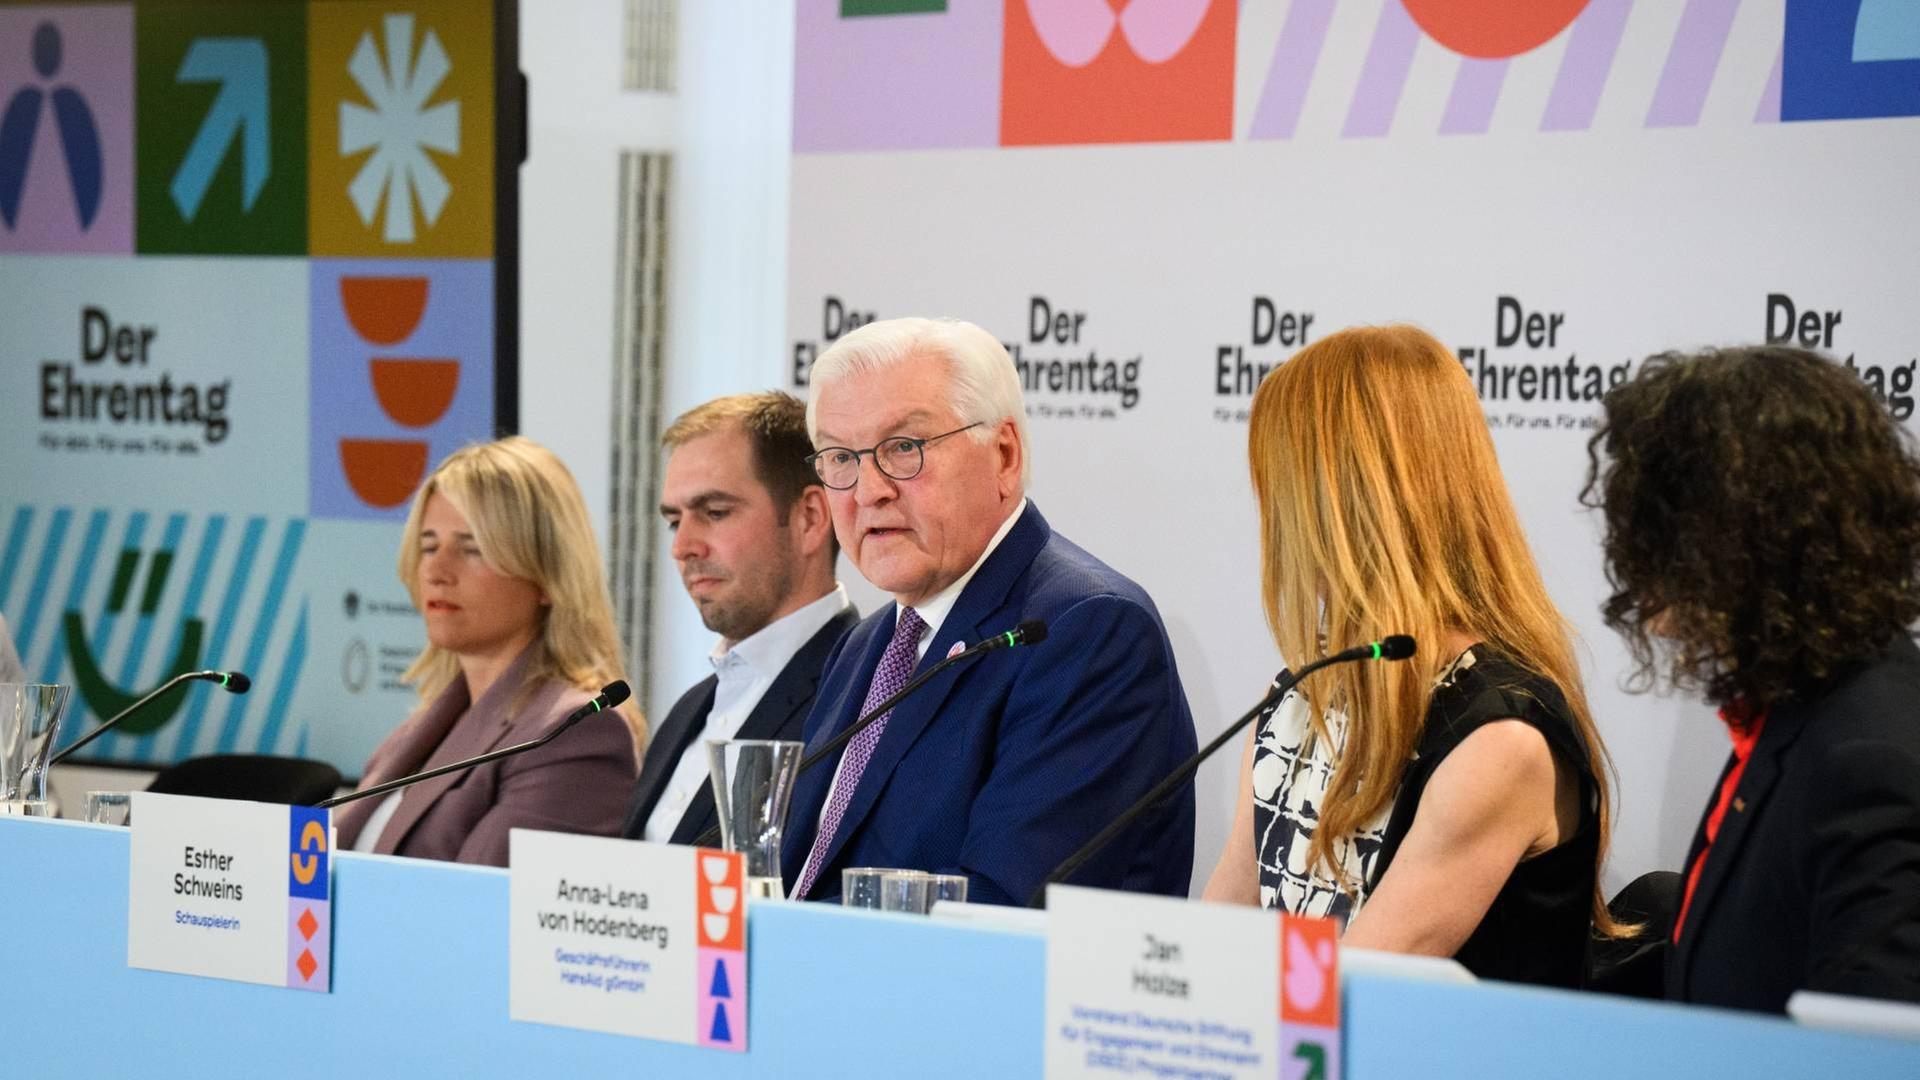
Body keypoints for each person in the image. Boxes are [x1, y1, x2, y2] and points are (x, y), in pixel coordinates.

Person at [1204, 324, 1623, 989]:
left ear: (1339, 502)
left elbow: (1345, 1000)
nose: (1270, 514)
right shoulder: (1297, 696)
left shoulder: (1498, 738)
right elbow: (1216, 941)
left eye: (1279, 484)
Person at [779, 317, 1198, 906]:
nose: (868, 490)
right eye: (841, 457)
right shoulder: (866, 644)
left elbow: (1007, 911)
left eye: (904, 448)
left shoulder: (1088, 632)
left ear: (1003, 455)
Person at [1585, 345, 1920, 1012]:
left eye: (1656, 540)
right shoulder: (1799, 712)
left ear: (1742, 541)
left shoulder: (1867, 758)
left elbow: (1868, 1056)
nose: (1647, 602)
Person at [334, 437, 643, 866]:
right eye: (428, 545)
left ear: (546, 575)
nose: (438, 571)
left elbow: (481, 915)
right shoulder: (422, 728)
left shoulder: (576, 734)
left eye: (472, 548)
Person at [622, 392, 858, 845]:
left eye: (715, 513)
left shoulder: (863, 695)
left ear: (810, 517)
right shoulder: (689, 709)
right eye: (675, 521)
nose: (683, 546)